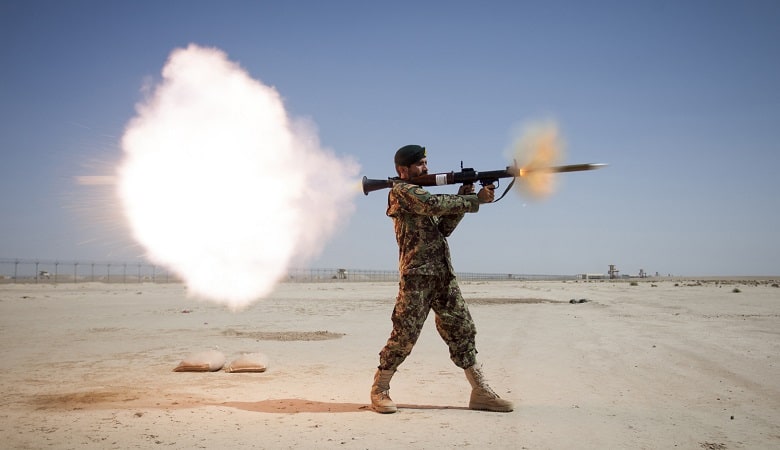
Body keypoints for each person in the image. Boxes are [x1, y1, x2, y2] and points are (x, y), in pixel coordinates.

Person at [370, 144, 514, 414]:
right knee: (405, 334)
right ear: (403, 169)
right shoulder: (402, 191)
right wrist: (474, 201)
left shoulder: (417, 194)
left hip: (442, 274)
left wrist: (464, 196)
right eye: (420, 164)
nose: (426, 168)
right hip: (417, 277)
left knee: (462, 329)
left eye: (426, 162)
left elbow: (442, 228)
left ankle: (480, 391)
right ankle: (380, 388)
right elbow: (432, 204)